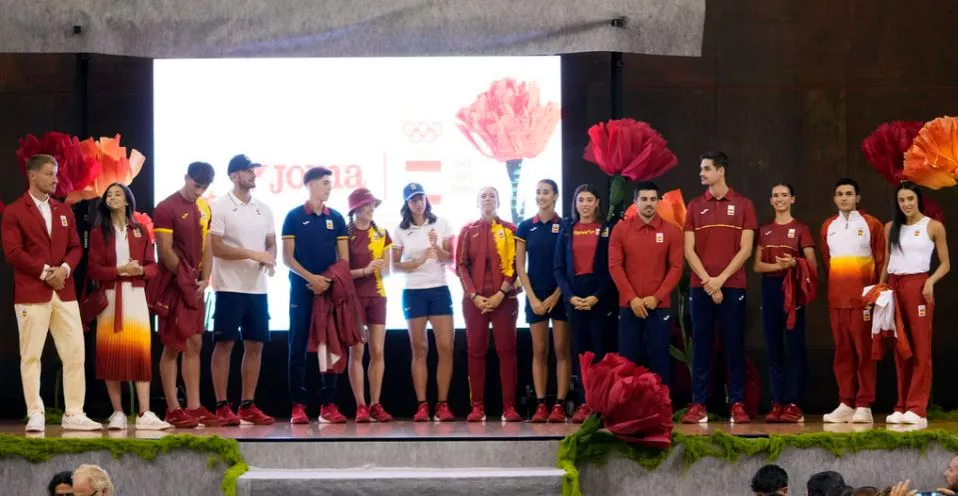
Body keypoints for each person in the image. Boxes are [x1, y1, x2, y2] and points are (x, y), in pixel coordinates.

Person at [1, 154, 102, 432]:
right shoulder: (15, 211)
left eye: (55, 174)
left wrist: (65, 270)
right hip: (32, 292)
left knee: (75, 352)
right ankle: (35, 412)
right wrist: (47, 273)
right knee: (31, 355)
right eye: (49, 174)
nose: (55, 179)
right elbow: (13, 253)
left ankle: (74, 413)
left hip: (64, 292)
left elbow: (76, 247)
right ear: (32, 175)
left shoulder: (63, 210)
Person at [681, 151, 757, 424]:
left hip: (732, 286)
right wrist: (709, 282)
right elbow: (688, 251)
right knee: (701, 345)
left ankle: (736, 403)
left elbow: (746, 250)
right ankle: (699, 404)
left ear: (721, 171)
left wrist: (720, 280)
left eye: (706, 168)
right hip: (701, 287)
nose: (701, 173)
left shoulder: (744, 205)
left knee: (733, 345)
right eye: (701, 168)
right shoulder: (694, 205)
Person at [88, 183, 171, 430]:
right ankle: (118, 412)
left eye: (117, 194)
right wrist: (118, 270)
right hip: (110, 296)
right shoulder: (98, 232)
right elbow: (93, 269)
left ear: (127, 200)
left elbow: (153, 267)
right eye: (108, 194)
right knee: (110, 353)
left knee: (140, 352)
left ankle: (145, 412)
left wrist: (140, 270)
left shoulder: (140, 231)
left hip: (135, 295)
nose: (112, 197)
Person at [149, 161, 223, 428]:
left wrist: (204, 279)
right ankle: (173, 408)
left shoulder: (204, 207)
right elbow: (165, 252)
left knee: (195, 343)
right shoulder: (166, 208)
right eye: (195, 185)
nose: (198, 191)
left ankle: (194, 406)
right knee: (173, 344)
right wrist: (186, 279)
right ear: (186, 178)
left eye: (203, 187)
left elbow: (207, 247)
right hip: (173, 285)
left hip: (195, 286)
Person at [208, 154, 276, 426]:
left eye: (254, 170)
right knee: (224, 344)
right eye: (248, 170)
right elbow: (216, 247)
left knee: (255, 344)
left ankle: (247, 404)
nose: (252, 174)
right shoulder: (220, 206)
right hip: (228, 286)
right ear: (234, 175)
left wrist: (269, 257)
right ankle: (221, 405)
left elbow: (271, 243)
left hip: (257, 288)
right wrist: (252, 254)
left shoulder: (264, 208)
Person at [282, 167, 352, 423]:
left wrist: (328, 281)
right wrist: (311, 278)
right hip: (302, 290)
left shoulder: (337, 217)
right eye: (324, 183)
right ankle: (298, 405)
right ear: (310, 184)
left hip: (328, 291)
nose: (329, 187)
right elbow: (287, 258)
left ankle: (328, 403)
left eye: (330, 183)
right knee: (298, 346)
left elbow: (344, 259)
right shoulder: (293, 216)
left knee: (329, 345)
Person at [880, 182, 949, 426]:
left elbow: (945, 264)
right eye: (902, 200)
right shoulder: (891, 227)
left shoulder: (933, 226)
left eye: (910, 199)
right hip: (894, 286)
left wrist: (930, 281)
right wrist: (880, 289)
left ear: (918, 199)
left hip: (918, 286)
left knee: (920, 348)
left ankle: (917, 408)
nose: (906, 204)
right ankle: (901, 405)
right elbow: (887, 261)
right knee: (901, 348)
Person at [821, 178, 885, 424]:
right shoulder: (828, 226)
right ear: (834, 199)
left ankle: (864, 404)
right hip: (837, 300)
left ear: (858, 198)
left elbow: (881, 261)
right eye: (840, 194)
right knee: (843, 353)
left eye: (849, 193)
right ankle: (846, 402)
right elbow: (827, 262)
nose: (844, 198)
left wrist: (875, 293)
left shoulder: (872, 224)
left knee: (864, 353)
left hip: (863, 301)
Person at [392, 183, 457, 422]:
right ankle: (422, 405)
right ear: (407, 203)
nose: (418, 203)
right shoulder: (400, 230)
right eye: (413, 200)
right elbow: (394, 266)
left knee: (445, 347)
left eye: (421, 198)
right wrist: (417, 262)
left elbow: (451, 259)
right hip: (414, 291)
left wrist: (436, 246)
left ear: (426, 200)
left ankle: (442, 404)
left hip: (439, 289)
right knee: (419, 348)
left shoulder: (441, 223)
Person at [753, 184, 817, 424]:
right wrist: (778, 265)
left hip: (792, 288)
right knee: (773, 348)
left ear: (792, 199)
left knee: (795, 347)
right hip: (770, 288)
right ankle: (776, 402)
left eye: (784, 195)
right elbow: (757, 265)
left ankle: (794, 403)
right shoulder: (764, 230)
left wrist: (794, 263)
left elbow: (812, 263)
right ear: (771, 200)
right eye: (775, 196)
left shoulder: (801, 229)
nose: (779, 199)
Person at [456, 186, 521, 422]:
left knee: (507, 351)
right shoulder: (468, 230)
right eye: (483, 195)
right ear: (477, 202)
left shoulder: (511, 230)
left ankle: (509, 407)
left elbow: (515, 265)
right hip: (475, 302)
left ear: (499, 201)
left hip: (505, 299)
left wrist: (501, 293)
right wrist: (474, 295)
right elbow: (461, 265)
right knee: (475, 351)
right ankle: (477, 406)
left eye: (492, 195)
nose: (487, 199)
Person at [609, 182, 683, 385]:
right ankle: (627, 401)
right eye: (643, 199)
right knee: (628, 360)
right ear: (635, 202)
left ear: (658, 202)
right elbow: (615, 266)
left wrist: (657, 297)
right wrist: (632, 298)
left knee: (660, 359)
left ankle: (662, 401)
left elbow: (676, 267)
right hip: (629, 306)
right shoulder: (621, 229)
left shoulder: (671, 231)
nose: (648, 203)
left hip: (659, 306)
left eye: (652, 199)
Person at [554, 184, 615, 424]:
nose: (585, 204)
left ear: (597, 202)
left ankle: (601, 404)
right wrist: (570, 296)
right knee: (581, 353)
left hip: (599, 296)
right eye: (581, 200)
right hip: (574, 296)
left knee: (601, 351)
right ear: (575, 203)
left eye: (590, 200)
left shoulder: (607, 229)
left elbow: (612, 267)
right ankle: (584, 402)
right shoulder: (567, 230)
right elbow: (558, 269)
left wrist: (597, 296)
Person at [515, 179, 570, 423]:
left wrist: (557, 294)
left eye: (546, 192)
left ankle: (559, 404)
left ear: (555, 196)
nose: (541, 196)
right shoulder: (526, 227)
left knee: (561, 349)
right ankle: (540, 404)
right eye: (538, 192)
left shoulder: (566, 225)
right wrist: (533, 298)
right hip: (535, 296)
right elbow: (520, 267)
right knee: (539, 350)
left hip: (560, 295)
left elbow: (569, 264)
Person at [345, 188, 393, 423]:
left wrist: (381, 268)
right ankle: (360, 405)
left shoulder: (382, 233)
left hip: (377, 296)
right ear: (355, 209)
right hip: (353, 298)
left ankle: (375, 403)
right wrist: (365, 270)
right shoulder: (345, 234)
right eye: (367, 204)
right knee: (357, 351)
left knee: (377, 351)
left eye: (373, 204)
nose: (371, 208)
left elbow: (387, 272)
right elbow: (342, 273)